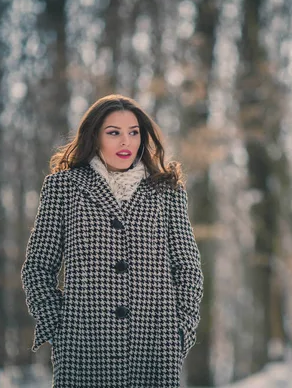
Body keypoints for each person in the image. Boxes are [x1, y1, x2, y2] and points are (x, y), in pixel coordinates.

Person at [21, 94, 204, 387]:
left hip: (154, 349)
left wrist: (182, 329)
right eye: (113, 133)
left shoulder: (167, 192)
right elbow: (38, 268)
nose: (125, 142)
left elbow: (187, 268)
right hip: (83, 350)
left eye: (133, 132)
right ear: (95, 137)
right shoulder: (64, 188)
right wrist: (60, 327)